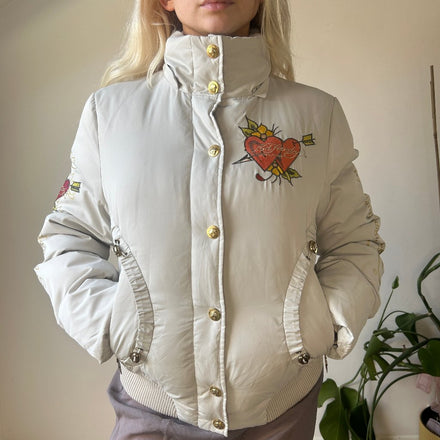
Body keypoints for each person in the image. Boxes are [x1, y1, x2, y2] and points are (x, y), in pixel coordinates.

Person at [34, 0, 385, 439]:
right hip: (152, 408)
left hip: (283, 410)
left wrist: (320, 325)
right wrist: (115, 326)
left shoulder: (317, 115)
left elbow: (354, 241)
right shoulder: (109, 114)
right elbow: (69, 237)